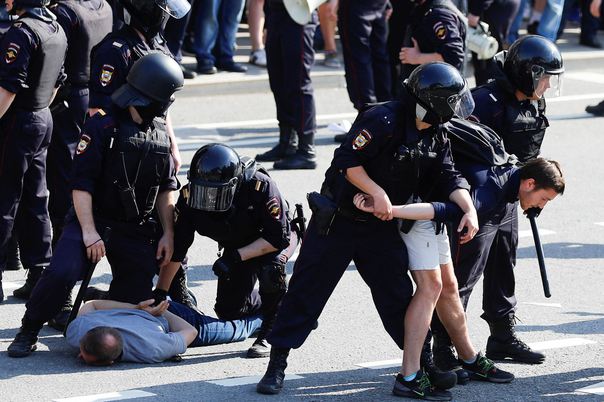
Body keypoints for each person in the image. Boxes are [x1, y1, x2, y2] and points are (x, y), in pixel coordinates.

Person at [256, 62, 478, 401]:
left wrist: (467, 206)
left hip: (380, 229)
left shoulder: (436, 131)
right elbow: (346, 161)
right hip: (338, 222)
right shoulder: (383, 119)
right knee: (306, 292)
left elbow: (448, 174)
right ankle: (277, 364)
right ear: (433, 101)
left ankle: (422, 364)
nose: (454, 110)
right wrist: (378, 192)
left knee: (398, 297)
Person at [7, 53, 183, 358]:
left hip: (133, 226)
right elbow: (82, 185)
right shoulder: (102, 126)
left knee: (140, 297)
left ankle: (99, 302)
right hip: (94, 219)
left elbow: (166, 189)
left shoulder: (158, 133)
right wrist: (89, 232)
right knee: (63, 272)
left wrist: (168, 233)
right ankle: (30, 328)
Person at [431, 35, 564, 370]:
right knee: (462, 278)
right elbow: (449, 150)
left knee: (504, 270)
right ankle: (444, 348)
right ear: (527, 73)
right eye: (545, 77)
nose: (547, 85)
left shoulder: (533, 102)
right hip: (477, 202)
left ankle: (502, 336)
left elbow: (528, 153)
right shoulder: (482, 102)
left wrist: (532, 193)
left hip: (508, 198)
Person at [353, 191, 515, 385]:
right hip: (415, 208)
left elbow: (447, 172)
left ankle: (469, 358)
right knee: (430, 286)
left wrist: (468, 209)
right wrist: (387, 206)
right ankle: (410, 374)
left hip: (433, 210)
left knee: (448, 286)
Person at [156, 143, 298, 359]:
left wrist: (235, 257)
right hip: (237, 244)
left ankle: (271, 333)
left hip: (272, 239)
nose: (208, 200)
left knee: (271, 271)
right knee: (230, 311)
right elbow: (178, 249)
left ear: (234, 185)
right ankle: (288, 307)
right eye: (203, 191)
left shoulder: (259, 187)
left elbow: (278, 237)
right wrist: (160, 292)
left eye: (215, 193)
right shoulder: (189, 197)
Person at [0, 0, 67, 304]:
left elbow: (8, 88)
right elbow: (56, 83)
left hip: (17, 121)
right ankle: (39, 272)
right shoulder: (56, 28)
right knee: (36, 198)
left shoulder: (21, 33)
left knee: (4, 199)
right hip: (42, 117)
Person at [88, 0, 190, 173]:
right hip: (121, 149)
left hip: (152, 143)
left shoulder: (158, 48)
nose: (166, 11)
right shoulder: (114, 51)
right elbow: (97, 112)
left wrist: (172, 144)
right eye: (163, 6)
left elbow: (162, 107)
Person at [66, 298, 263, 365]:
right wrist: (137, 308)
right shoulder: (79, 331)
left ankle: (265, 317)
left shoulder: (151, 348)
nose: (79, 357)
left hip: (168, 314)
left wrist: (157, 311)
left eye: (82, 355)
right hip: (152, 308)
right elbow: (93, 304)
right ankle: (182, 299)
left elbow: (191, 331)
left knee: (236, 331)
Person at [254, 0, 318, 170]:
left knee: (298, 84)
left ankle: (307, 149)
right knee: (279, 81)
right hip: (277, 11)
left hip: (299, 12)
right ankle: (287, 142)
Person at [399, 0, 466, 82]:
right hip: (424, 85)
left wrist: (417, 57)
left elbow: (453, 56)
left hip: (438, 88)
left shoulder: (439, 14)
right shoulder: (423, 7)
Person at [466, 0, 520, 85]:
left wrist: (475, 12)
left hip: (490, 8)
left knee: (487, 58)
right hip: (498, 7)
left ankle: (489, 94)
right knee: (494, 58)